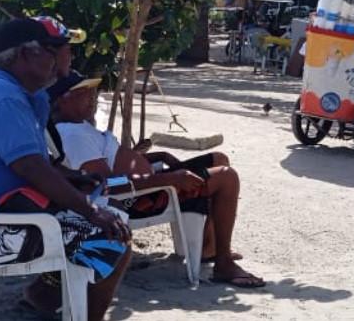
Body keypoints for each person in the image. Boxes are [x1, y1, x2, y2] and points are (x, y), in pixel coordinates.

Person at [0, 18, 131, 321]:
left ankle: (44, 296)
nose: (68, 55)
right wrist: (91, 211)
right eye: (59, 49)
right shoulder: (3, 96)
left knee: (113, 211)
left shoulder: (13, 90)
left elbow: (33, 163)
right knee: (111, 237)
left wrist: (73, 179)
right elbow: (29, 166)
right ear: (26, 54)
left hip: (5, 212)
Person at [51, 76, 265, 289]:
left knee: (218, 159)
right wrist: (169, 178)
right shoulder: (73, 136)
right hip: (138, 198)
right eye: (82, 93)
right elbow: (107, 185)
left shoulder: (80, 127)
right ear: (61, 101)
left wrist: (153, 157)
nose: (91, 97)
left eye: (92, 91)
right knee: (227, 176)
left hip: (149, 184)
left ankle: (208, 247)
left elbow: (112, 161)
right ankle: (224, 264)